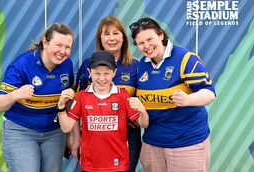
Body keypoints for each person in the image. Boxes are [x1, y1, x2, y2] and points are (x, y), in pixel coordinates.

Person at [129, 17, 216, 172]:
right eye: (141, 43)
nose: (147, 46)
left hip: (186, 144)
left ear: (161, 35)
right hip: (152, 145)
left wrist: (188, 99)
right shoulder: (141, 65)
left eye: (150, 39)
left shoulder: (185, 58)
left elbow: (209, 93)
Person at [0, 23, 74, 172]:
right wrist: (15, 95)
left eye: (67, 47)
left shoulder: (67, 65)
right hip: (21, 130)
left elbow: (66, 105)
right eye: (58, 45)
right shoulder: (22, 64)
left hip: (54, 132)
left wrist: (69, 136)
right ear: (45, 41)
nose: (63, 51)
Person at [57, 51, 149, 172]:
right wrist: (61, 106)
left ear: (114, 72)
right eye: (97, 73)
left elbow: (144, 123)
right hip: (90, 166)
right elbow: (66, 127)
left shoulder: (122, 96)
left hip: (118, 165)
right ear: (90, 73)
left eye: (106, 73)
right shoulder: (82, 97)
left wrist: (142, 111)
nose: (101, 78)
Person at [74, 16, 141, 172]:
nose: (111, 38)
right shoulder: (87, 65)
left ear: (123, 38)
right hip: (94, 136)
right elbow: (76, 104)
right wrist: (76, 138)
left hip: (128, 136)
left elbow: (144, 104)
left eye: (116, 33)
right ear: (100, 38)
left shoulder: (136, 66)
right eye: (106, 34)